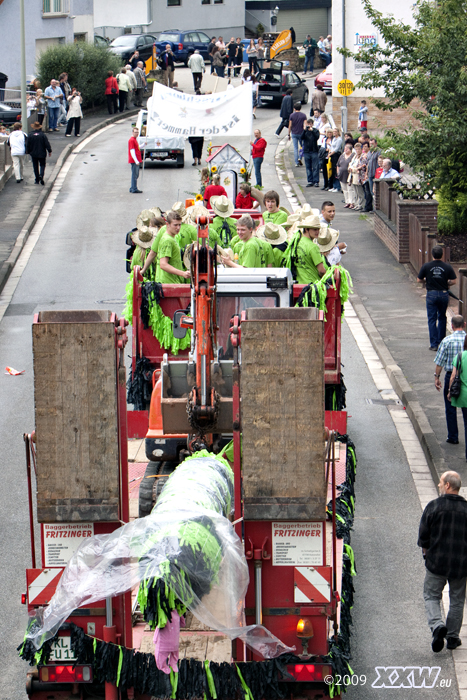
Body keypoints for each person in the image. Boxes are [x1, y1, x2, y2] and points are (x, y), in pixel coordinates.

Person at [418, 470, 467, 652]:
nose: (439, 485)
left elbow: (423, 536)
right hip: (460, 565)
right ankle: (453, 638)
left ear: (447, 485)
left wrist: (426, 555)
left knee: (431, 595)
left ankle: (438, 626)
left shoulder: (434, 506)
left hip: (436, 562)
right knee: (457, 599)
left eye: (440, 482)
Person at [434, 315, 466, 445]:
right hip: (466, 376)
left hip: (450, 376)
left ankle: (453, 436)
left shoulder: (447, 341)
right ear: (464, 324)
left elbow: (439, 362)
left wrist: (436, 377)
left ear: (451, 326)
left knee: (450, 406)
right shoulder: (466, 338)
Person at [417, 246, 457, 350]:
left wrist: (427, 281)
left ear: (432, 254)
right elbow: (453, 281)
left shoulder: (426, 266)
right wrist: (446, 283)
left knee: (432, 319)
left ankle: (434, 344)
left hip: (431, 294)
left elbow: (419, 279)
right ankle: (442, 342)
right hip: (443, 294)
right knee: (442, 317)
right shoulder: (447, 267)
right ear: (442, 255)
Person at [141, 212, 191, 283]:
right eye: (175, 225)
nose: (178, 228)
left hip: (170, 281)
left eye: (179, 225)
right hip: (168, 283)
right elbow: (163, 264)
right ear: (167, 224)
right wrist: (183, 273)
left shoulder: (170, 237)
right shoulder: (167, 240)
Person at [285, 215, 326, 284]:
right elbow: (321, 271)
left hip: (298, 284)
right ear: (306, 229)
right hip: (312, 285)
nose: (317, 232)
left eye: (318, 229)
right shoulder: (313, 247)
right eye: (314, 229)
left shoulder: (296, 243)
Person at [301, 118, 320, 187]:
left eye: (310, 124)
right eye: (308, 124)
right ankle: (310, 181)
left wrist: (312, 131)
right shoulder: (305, 131)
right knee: (308, 167)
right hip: (307, 151)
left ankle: (316, 181)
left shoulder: (315, 130)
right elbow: (301, 137)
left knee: (315, 167)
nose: (309, 125)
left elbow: (317, 137)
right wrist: (304, 130)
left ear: (312, 124)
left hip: (314, 151)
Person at [288, 102, 307, 167]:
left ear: (294, 108)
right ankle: (300, 157)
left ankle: (296, 162)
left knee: (295, 148)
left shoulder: (291, 115)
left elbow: (290, 125)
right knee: (302, 146)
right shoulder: (303, 115)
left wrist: (288, 134)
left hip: (294, 133)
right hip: (301, 133)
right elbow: (305, 125)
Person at [348, 142, 364, 210]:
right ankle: (357, 203)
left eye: (359, 149)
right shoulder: (355, 156)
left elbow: (359, 167)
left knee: (360, 192)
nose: (357, 151)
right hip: (353, 176)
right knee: (355, 191)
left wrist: (353, 169)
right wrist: (350, 168)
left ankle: (361, 204)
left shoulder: (362, 157)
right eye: (356, 149)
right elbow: (350, 164)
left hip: (358, 176)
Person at [359, 141, 373, 211]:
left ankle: (368, 206)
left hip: (365, 174)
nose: (364, 148)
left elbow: (367, 165)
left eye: (365, 146)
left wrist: (366, 174)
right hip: (361, 174)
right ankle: (366, 204)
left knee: (368, 191)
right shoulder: (363, 154)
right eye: (363, 146)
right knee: (364, 191)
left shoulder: (369, 154)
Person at [128, 126, 143, 194]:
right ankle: (134, 188)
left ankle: (132, 187)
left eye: (137, 132)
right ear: (132, 132)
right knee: (135, 174)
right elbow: (132, 151)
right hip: (134, 160)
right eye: (135, 132)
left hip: (136, 160)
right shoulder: (131, 140)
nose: (137, 134)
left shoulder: (134, 140)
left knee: (135, 174)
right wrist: (136, 160)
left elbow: (137, 148)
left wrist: (143, 145)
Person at [328, 127, 343, 192]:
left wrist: (330, 154)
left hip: (336, 155)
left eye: (335, 131)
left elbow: (336, 149)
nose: (334, 133)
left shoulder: (339, 139)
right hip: (332, 155)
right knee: (333, 171)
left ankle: (337, 187)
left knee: (336, 170)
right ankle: (334, 186)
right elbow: (332, 147)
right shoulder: (334, 139)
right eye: (333, 132)